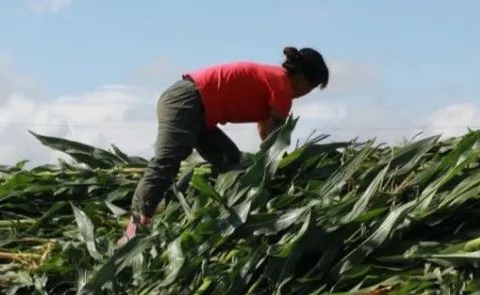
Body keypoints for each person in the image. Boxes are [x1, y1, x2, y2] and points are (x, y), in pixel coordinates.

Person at [122, 47, 330, 242]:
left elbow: (266, 129)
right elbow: (276, 138)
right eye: (310, 88)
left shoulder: (274, 80)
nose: (305, 94)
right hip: (187, 101)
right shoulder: (282, 86)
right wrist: (280, 168)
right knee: (167, 162)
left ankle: (215, 207)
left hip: (198, 110)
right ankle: (134, 228)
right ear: (302, 78)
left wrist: (267, 162)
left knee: (229, 159)